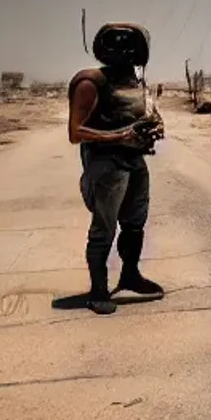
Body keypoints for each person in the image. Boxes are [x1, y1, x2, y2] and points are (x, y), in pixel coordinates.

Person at [67, 22, 166, 314]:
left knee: (135, 224)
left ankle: (130, 275)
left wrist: (155, 126)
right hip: (106, 166)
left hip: (135, 162)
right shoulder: (90, 82)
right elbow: (76, 132)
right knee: (104, 228)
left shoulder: (134, 81)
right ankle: (99, 289)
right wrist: (120, 136)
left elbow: (146, 112)